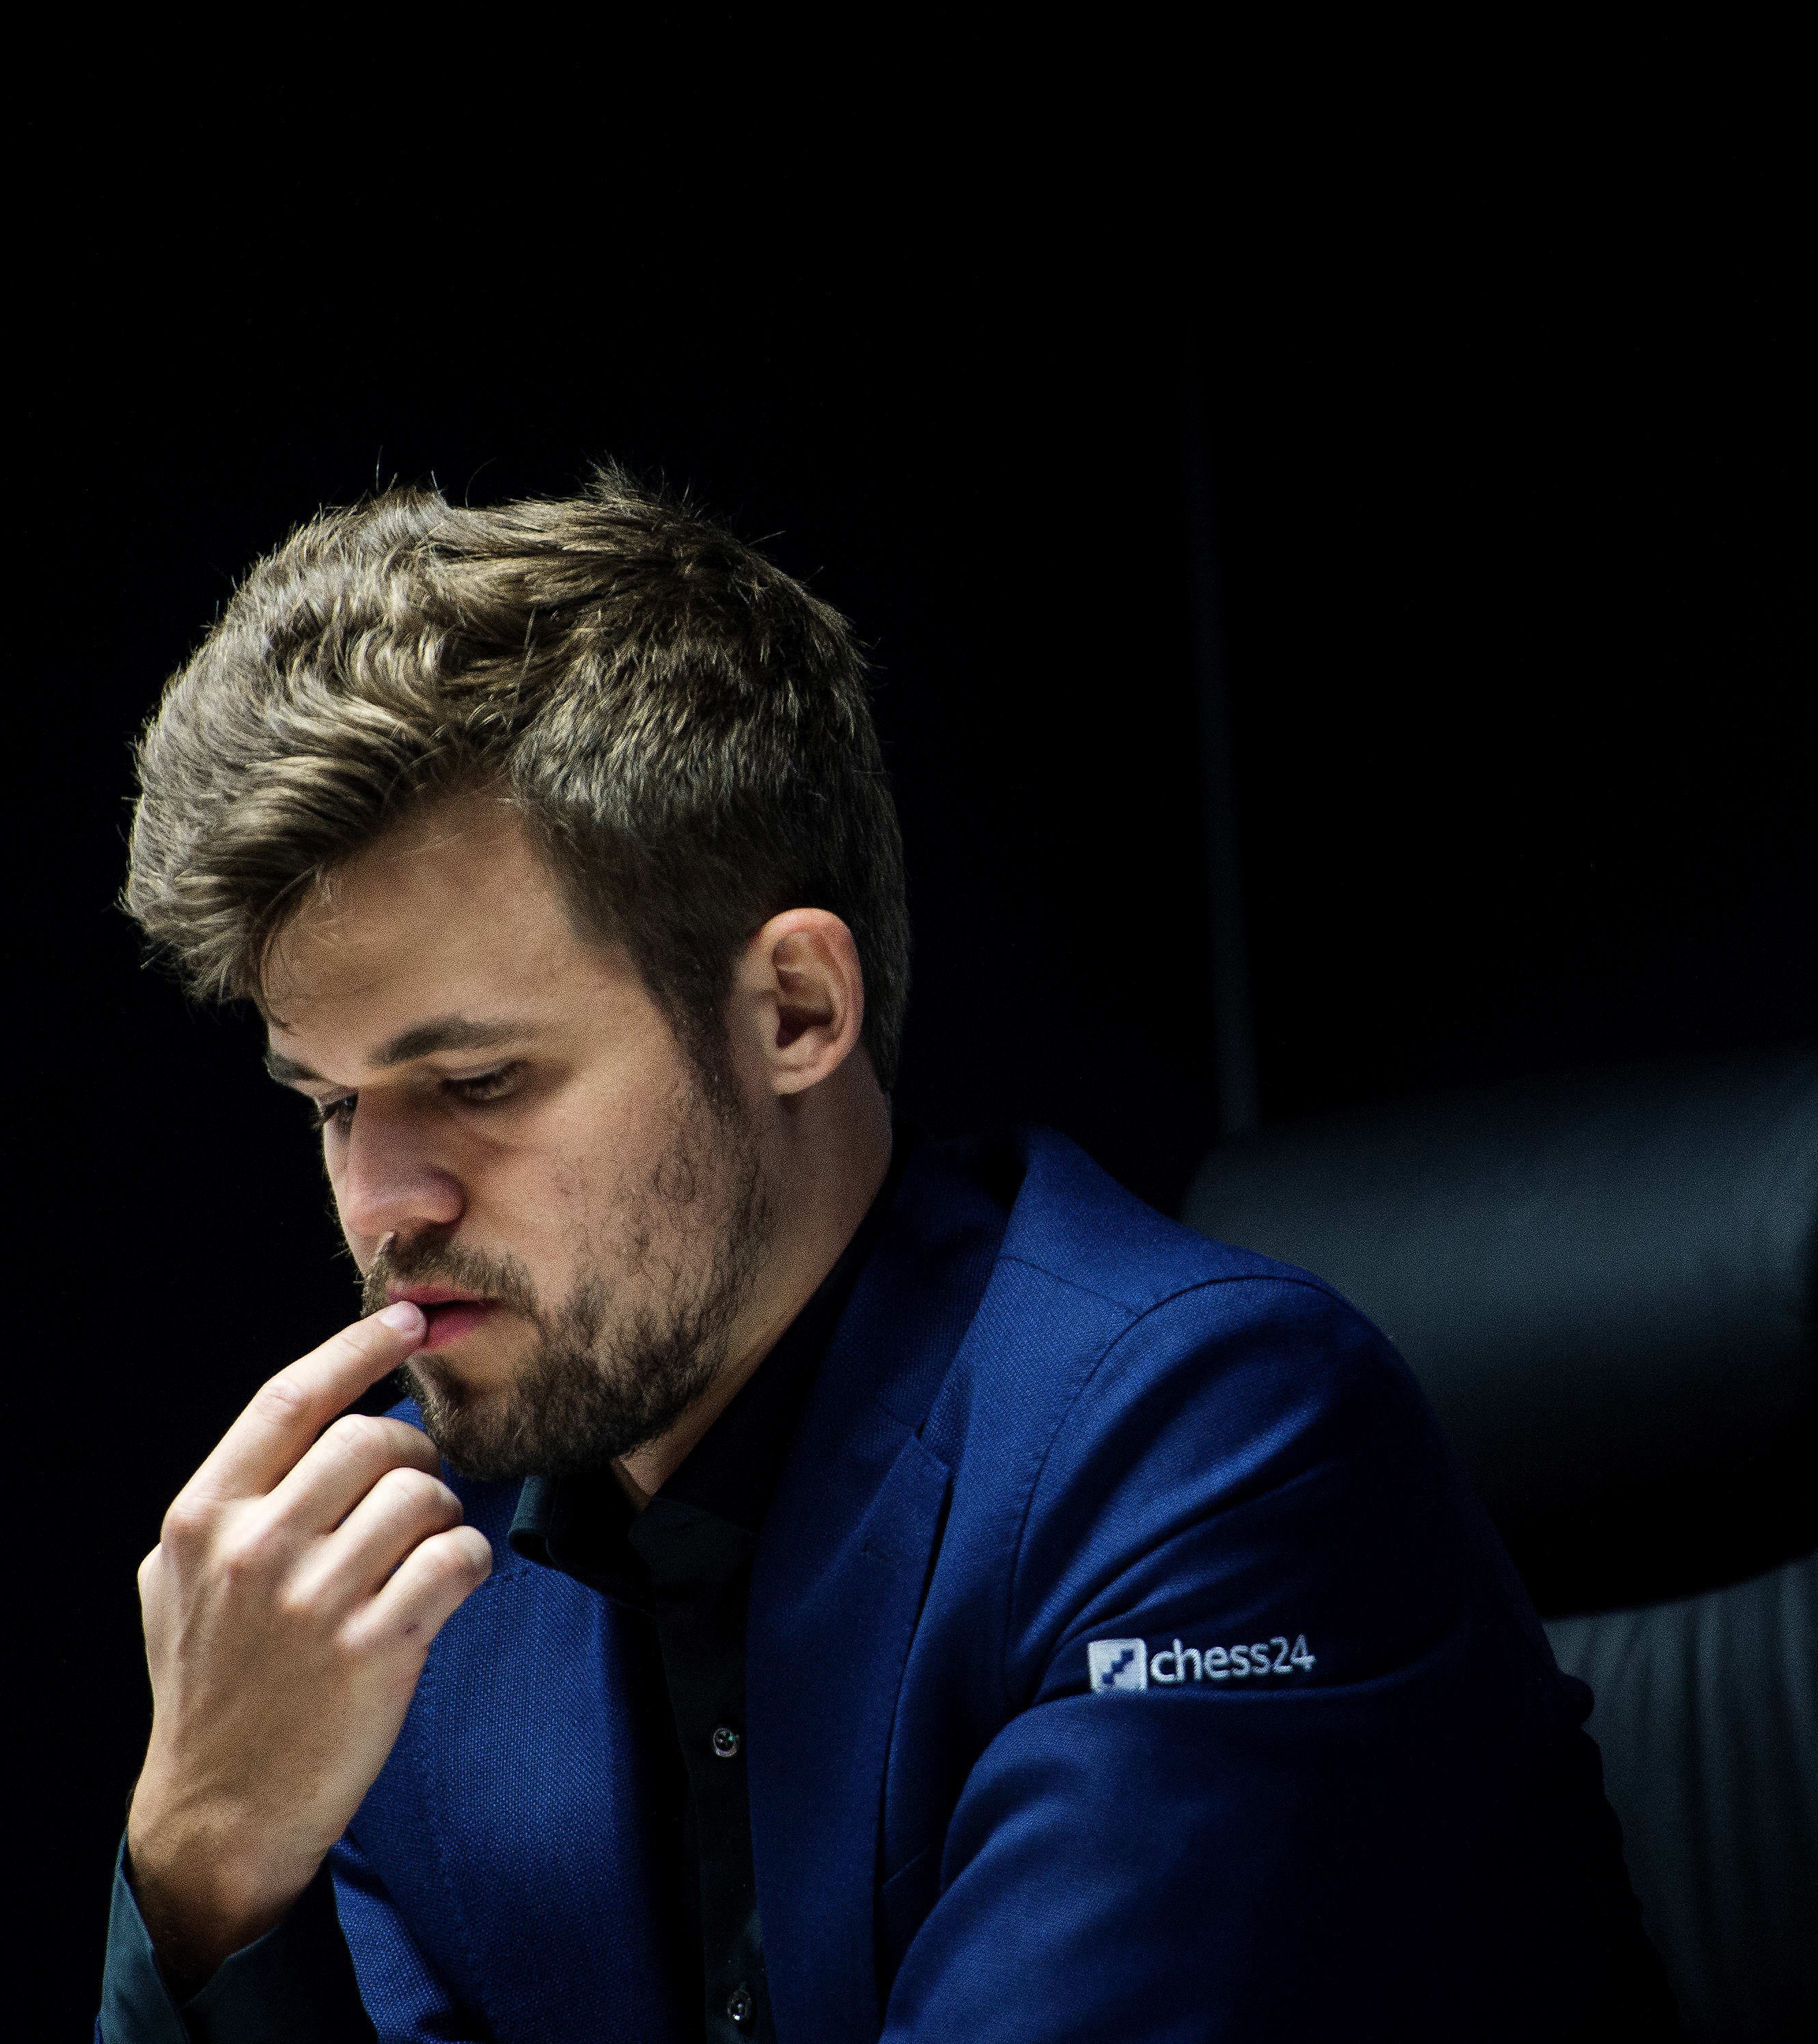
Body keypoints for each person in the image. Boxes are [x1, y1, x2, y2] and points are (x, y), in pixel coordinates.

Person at [97, 469, 1670, 2041]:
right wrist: (203, 1857)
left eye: (479, 1079)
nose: (380, 1202)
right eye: (330, 1104)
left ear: (793, 1007)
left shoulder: (1212, 1444)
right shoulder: (384, 1575)